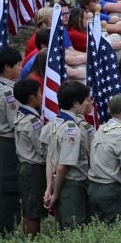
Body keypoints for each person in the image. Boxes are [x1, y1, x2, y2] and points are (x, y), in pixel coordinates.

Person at [44, 80, 94, 229]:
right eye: (85, 100)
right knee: (74, 227)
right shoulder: (72, 129)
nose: (87, 103)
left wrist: (49, 188)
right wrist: (56, 194)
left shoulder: (55, 123)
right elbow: (62, 167)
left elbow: (49, 158)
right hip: (72, 185)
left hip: (58, 182)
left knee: (65, 225)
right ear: (75, 103)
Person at [0, 47, 23, 235]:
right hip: (7, 143)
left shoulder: (1, 86)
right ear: (8, 67)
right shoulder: (10, 92)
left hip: (0, 142)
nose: (20, 67)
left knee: (3, 186)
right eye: (18, 64)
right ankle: (6, 229)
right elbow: (15, 121)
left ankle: (4, 227)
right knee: (7, 187)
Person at [89, 94, 121, 224]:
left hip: (94, 187)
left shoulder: (101, 129)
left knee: (102, 230)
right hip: (111, 190)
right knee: (120, 231)